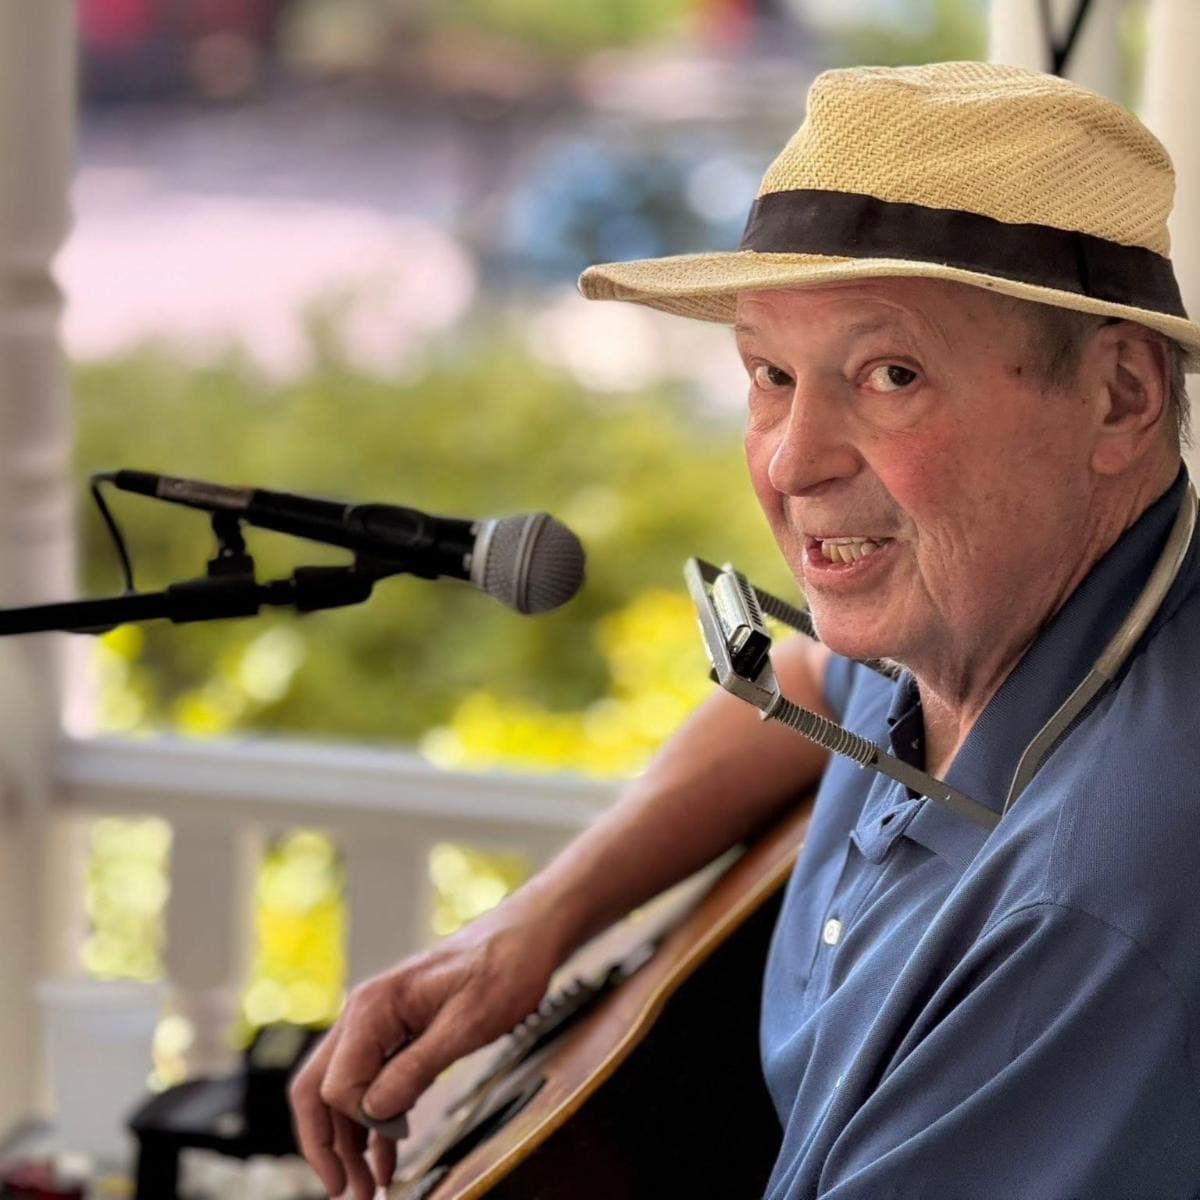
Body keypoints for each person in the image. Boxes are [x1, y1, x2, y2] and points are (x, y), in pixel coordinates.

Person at [291, 60, 1200, 1199]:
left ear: (1121, 395)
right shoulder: (975, 620)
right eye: (769, 372)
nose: (789, 456)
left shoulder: (1093, 905)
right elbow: (812, 683)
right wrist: (538, 923)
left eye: (891, 374)